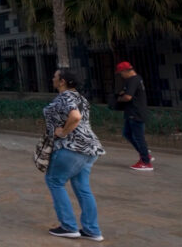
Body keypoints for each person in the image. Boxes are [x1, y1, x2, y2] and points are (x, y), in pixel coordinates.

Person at [44, 68, 105, 241]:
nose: (53, 78)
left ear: (62, 81)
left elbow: (75, 117)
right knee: (83, 188)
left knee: (54, 181)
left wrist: (63, 132)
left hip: (72, 148)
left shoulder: (66, 97)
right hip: (90, 148)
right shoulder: (81, 97)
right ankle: (92, 230)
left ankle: (68, 226)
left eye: (55, 76)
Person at [115, 61, 153, 171]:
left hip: (136, 112)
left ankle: (146, 162)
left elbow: (128, 97)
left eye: (121, 73)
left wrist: (119, 100)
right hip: (131, 112)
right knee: (127, 133)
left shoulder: (133, 80)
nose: (121, 75)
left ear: (126, 71)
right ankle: (144, 153)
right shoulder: (135, 79)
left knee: (138, 136)